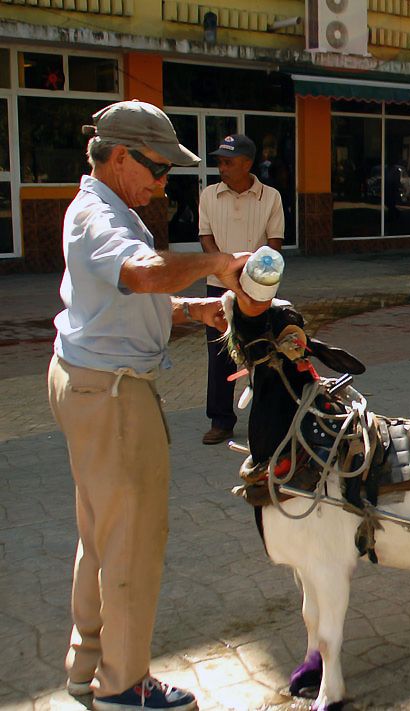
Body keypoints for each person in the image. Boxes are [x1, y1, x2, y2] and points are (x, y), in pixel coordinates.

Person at [48, 100, 250, 710]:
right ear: (117, 156)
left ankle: (88, 666)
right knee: (132, 539)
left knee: (102, 534)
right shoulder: (98, 215)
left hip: (92, 383)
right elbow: (139, 274)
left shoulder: (109, 210)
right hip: (112, 395)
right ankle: (123, 684)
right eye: (157, 169)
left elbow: (123, 298)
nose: (163, 184)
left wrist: (193, 310)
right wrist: (217, 265)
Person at [198, 134, 284, 445]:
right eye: (219, 162)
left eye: (227, 162)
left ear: (247, 164)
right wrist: (224, 270)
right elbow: (205, 237)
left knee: (262, 354)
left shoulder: (270, 197)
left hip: (258, 290)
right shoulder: (209, 195)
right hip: (218, 287)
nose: (221, 167)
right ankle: (220, 421)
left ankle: (267, 421)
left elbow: (274, 244)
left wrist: (252, 279)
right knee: (220, 355)